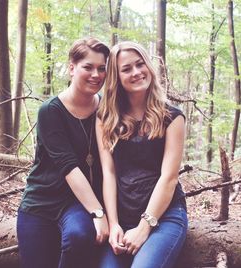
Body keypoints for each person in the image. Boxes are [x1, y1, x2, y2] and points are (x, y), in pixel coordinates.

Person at [17, 37, 110, 268]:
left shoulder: (108, 109)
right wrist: (99, 213)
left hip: (78, 202)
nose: (96, 74)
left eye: (101, 68)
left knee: (79, 235)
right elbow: (68, 166)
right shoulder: (51, 111)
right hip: (40, 202)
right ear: (71, 68)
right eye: (87, 67)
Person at [96, 41, 188, 268]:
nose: (136, 72)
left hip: (164, 217)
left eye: (140, 64)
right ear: (116, 77)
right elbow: (109, 173)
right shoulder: (105, 118)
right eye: (127, 69)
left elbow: (169, 177)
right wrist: (114, 223)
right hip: (122, 217)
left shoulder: (172, 117)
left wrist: (145, 227)